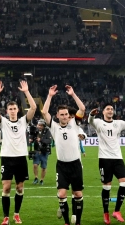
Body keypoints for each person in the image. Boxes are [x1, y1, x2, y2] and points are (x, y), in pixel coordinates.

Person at [88, 104, 125, 224]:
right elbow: (90, 120)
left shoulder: (118, 123)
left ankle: (117, 211)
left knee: (124, 183)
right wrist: (92, 114)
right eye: (107, 109)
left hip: (118, 158)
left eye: (111, 109)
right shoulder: (98, 122)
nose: (110, 111)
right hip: (104, 158)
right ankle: (106, 213)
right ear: (103, 112)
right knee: (107, 187)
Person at [0, 80, 37, 225]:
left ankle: (16, 214)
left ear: (17, 110)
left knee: (19, 187)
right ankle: (6, 217)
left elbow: (34, 107)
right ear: (7, 111)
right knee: (6, 187)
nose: (12, 110)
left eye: (14, 108)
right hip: (7, 158)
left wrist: (26, 92)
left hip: (21, 158)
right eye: (9, 109)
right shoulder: (3, 121)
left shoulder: (23, 121)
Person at [42, 85, 86, 225]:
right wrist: (49, 96)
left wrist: (73, 94)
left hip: (76, 165)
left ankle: (77, 221)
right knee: (62, 194)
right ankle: (67, 222)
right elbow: (44, 112)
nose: (65, 116)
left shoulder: (74, 123)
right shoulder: (53, 127)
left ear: (69, 115)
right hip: (62, 166)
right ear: (57, 116)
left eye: (66, 114)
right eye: (62, 114)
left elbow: (82, 109)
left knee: (78, 194)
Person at [32, 120, 52, 185]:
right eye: (38, 125)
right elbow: (31, 137)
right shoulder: (35, 131)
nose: (39, 126)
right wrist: (31, 139)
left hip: (44, 151)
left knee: (43, 167)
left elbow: (49, 140)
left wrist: (41, 140)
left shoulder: (47, 131)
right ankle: (36, 178)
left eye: (41, 125)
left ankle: (41, 180)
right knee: (35, 165)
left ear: (44, 126)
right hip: (36, 150)